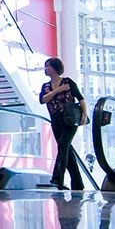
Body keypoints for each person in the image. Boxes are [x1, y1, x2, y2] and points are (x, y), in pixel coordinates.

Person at [39, 57, 88, 191]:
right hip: (55, 120)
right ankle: (78, 184)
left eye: (48, 66)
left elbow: (81, 98)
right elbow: (43, 100)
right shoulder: (46, 86)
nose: (46, 68)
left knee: (63, 146)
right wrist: (58, 90)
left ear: (55, 68)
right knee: (66, 150)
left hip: (69, 120)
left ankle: (57, 179)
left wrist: (84, 114)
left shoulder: (68, 82)